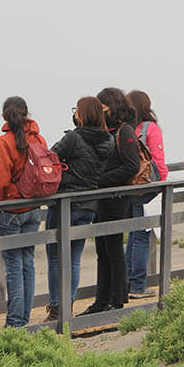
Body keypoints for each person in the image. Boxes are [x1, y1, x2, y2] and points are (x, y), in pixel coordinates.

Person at [44, 97, 114, 322]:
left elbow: (49, 156)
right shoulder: (108, 140)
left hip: (67, 204)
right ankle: (68, 305)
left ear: (81, 114)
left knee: (56, 258)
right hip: (89, 205)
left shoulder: (73, 137)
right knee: (73, 259)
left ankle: (57, 309)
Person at [0, 97, 47, 328]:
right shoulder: (38, 138)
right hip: (33, 208)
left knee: (13, 267)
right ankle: (24, 319)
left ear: (4, 117)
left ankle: (15, 322)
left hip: (10, 210)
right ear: (27, 113)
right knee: (27, 263)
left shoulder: (3, 143)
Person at [80, 87, 140, 314]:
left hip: (116, 197)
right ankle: (102, 300)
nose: (100, 111)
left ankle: (116, 300)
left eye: (102, 107)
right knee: (103, 250)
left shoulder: (124, 131)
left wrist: (101, 180)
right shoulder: (108, 130)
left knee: (113, 249)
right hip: (104, 197)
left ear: (111, 107)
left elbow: (132, 166)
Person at [124, 90, 168, 299]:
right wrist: (162, 183)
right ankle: (138, 285)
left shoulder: (127, 129)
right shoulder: (151, 128)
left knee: (133, 234)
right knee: (142, 235)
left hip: (131, 186)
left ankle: (126, 281)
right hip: (148, 187)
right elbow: (158, 160)